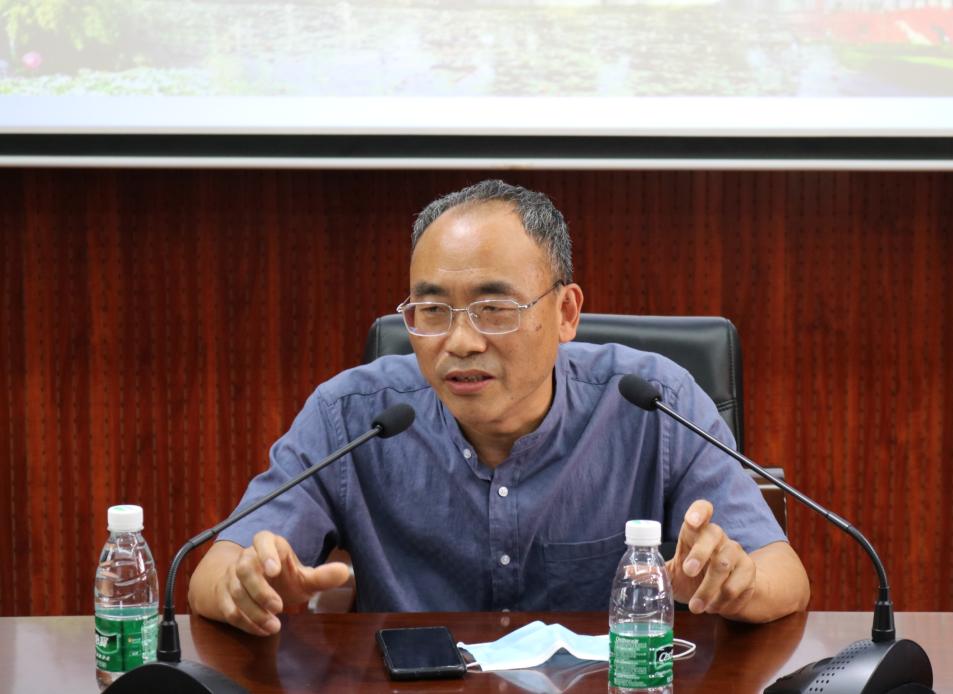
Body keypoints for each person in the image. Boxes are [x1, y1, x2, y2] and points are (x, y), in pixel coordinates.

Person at [188, 180, 809, 636]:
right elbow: (212, 574)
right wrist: (248, 585)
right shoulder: (352, 416)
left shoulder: (654, 403)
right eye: (432, 311)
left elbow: (783, 576)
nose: (460, 342)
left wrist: (737, 583)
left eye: (493, 309)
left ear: (566, 313)